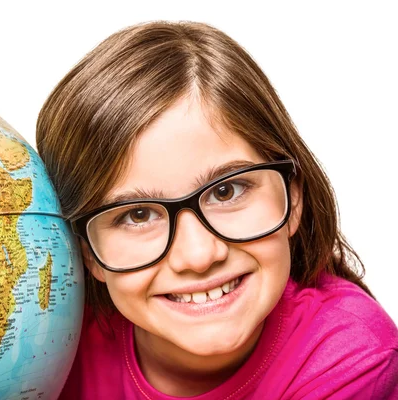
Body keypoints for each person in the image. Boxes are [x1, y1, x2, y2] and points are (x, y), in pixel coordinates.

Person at [36, 21, 398, 399]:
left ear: (292, 197)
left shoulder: (350, 359)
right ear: (86, 251)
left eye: (227, 191)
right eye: (137, 215)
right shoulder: (41, 338)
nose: (199, 255)